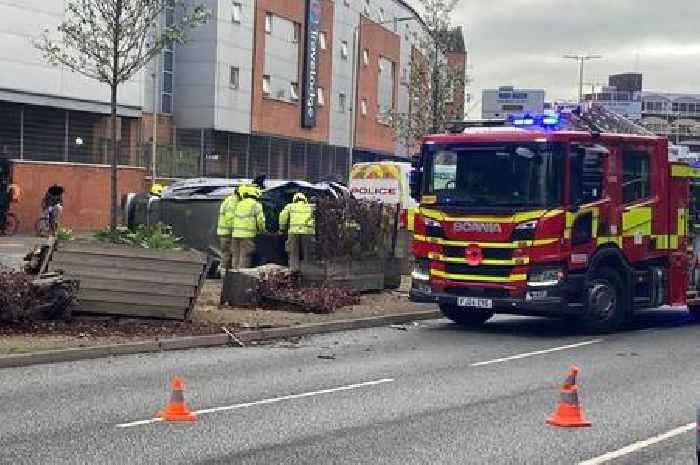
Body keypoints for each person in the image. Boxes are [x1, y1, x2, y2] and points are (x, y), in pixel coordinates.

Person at [231, 185, 265, 269]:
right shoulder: (256, 205)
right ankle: (242, 278)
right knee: (245, 256)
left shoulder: (239, 203)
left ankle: (233, 276)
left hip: (235, 234)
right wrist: (262, 230)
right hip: (247, 235)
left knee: (236, 256)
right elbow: (260, 221)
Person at [279, 192, 314, 272]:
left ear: (294, 199)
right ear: (305, 199)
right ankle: (307, 271)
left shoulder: (290, 206)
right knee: (307, 253)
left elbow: (282, 217)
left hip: (293, 232)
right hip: (308, 232)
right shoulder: (310, 207)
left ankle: (293, 270)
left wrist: (282, 228)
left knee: (293, 252)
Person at [216, 185, 241, 272]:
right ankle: (226, 277)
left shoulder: (228, 199)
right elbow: (230, 219)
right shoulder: (233, 201)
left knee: (225, 255)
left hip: (223, 233)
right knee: (232, 255)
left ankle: (223, 276)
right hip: (228, 233)